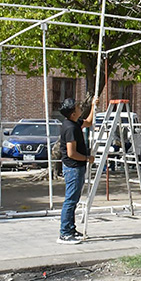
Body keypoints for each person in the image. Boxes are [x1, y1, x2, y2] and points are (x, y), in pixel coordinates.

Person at [57, 96, 98, 245]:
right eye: (78, 108)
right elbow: (71, 153)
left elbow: (88, 122)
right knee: (71, 200)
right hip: (73, 168)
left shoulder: (75, 122)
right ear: (73, 113)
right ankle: (65, 233)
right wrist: (87, 158)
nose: (80, 108)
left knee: (74, 200)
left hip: (76, 167)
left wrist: (94, 106)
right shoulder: (70, 128)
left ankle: (71, 228)